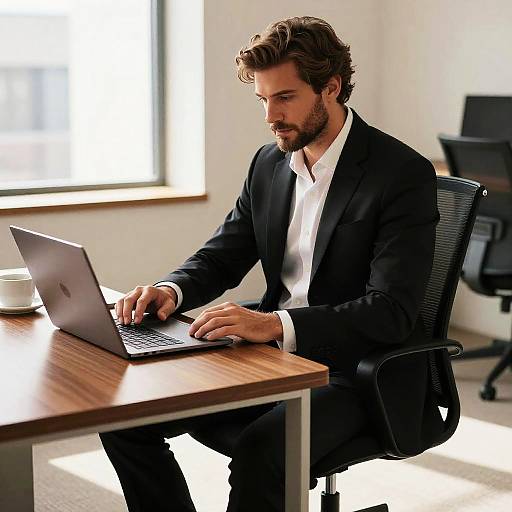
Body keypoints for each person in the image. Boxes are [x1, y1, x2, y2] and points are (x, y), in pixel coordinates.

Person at [100, 16, 442, 512]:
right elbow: (224, 254)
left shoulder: (400, 174)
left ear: (331, 87)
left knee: (263, 450)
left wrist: (275, 324)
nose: (269, 116)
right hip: (267, 358)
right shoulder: (269, 162)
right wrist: (170, 290)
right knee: (124, 418)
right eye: (262, 99)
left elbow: (391, 311)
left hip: (355, 370)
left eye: (284, 98)